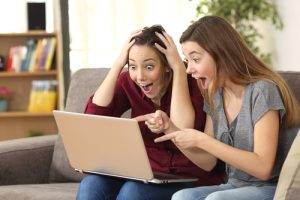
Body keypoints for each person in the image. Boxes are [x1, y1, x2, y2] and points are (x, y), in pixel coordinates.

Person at [136, 16, 300, 200]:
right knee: (181, 197)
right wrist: (170, 128)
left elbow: (263, 168)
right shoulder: (215, 95)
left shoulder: (262, 90)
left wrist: (202, 140)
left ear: (220, 55)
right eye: (187, 61)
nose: (189, 69)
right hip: (233, 186)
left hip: (269, 187)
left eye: (195, 59)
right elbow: (208, 162)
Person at [76, 25, 224, 200]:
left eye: (149, 67)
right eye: (133, 66)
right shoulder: (128, 82)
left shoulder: (198, 83)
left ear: (167, 65)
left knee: (133, 192)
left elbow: (181, 130)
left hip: (191, 177)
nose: (140, 76)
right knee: (91, 184)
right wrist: (118, 64)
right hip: (148, 175)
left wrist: (178, 69)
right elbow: (93, 119)